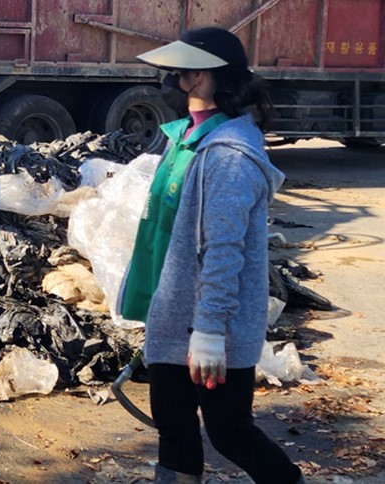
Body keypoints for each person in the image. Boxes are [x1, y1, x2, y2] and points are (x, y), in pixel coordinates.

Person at [120, 26, 303, 484]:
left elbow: (223, 250)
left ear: (200, 76)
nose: (170, 81)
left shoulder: (229, 156)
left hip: (208, 327)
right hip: (174, 316)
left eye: (177, 72)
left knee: (229, 432)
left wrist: (209, 331)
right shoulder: (185, 139)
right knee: (174, 429)